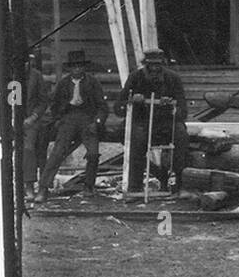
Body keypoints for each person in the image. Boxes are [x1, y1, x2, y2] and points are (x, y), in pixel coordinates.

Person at [34, 50, 107, 202]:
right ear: (70, 68)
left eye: (80, 66)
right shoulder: (63, 83)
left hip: (88, 118)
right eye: (74, 67)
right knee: (58, 152)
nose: (77, 69)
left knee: (93, 153)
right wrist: (59, 119)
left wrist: (97, 122)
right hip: (69, 118)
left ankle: (88, 186)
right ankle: (43, 188)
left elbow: (102, 106)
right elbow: (54, 105)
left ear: (84, 68)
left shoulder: (92, 82)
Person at [117, 47, 189, 194]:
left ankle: (181, 183)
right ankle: (136, 186)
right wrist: (132, 100)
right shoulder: (135, 77)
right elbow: (118, 108)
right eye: (151, 65)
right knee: (136, 140)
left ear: (163, 64)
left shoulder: (173, 78)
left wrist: (171, 104)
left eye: (158, 65)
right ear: (145, 64)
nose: (155, 69)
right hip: (141, 121)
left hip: (166, 122)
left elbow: (183, 109)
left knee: (181, 135)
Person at [22, 52, 51, 202]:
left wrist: (33, 117)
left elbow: (43, 100)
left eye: (27, 62)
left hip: (31, 121)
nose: (24, 65)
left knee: (29, 147)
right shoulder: (7, 76)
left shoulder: (36, 76)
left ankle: (29, 185)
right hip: (10, 120)